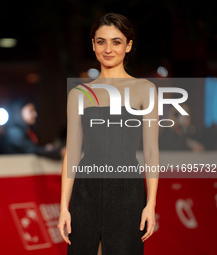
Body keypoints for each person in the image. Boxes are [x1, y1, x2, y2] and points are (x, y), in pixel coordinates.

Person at [57, 13, 159, 255]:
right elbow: (72, 153)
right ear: (93, 45)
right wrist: (63, 206)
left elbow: (152, 152)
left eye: (116, 41)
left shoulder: (145, 90)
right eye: (101, 41)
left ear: (129, 45)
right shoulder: (79, 94)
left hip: (127, 193)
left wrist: (151, 203)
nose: (108, 49)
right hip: (85, 192)